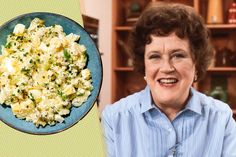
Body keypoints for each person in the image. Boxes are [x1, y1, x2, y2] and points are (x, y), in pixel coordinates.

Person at [101, 2, 236, 157]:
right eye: (155, 57)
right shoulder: (114, 119)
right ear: (143, 66)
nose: (166, 68)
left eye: (178, 55)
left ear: (196, 64)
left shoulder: (221, 118)